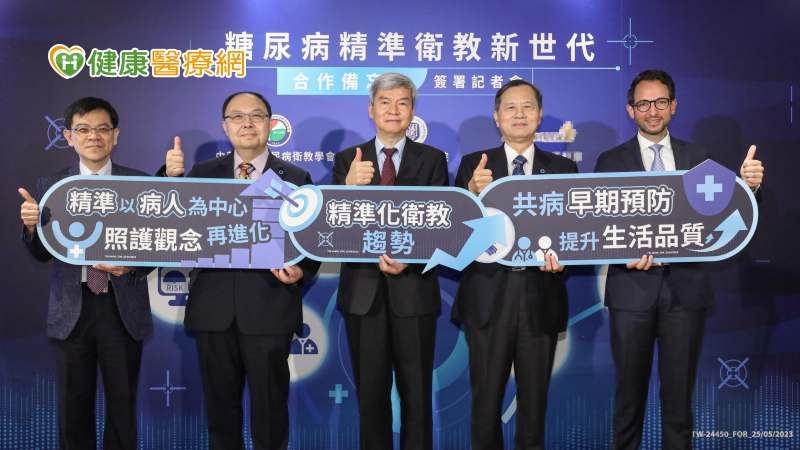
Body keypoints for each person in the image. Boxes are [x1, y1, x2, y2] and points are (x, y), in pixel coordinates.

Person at [594, 69, 764, 450]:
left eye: (660, 102)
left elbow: (724, 218)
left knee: (679, 406)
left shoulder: (699, 158)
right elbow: (598, 224)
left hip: (685, 294)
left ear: (674, 106)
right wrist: (622, 253)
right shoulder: (610, 161)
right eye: (643, 104)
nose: (652, 111)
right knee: (627, 402)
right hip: (631, 292)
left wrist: (748, 188)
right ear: (630, 110)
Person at [163, 91, 320, 450]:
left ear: (270, 124)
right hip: (213, 311)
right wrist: (171, 179)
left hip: (269, 310)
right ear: (225, 126)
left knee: (270, 411)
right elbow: (171, 226)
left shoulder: (296, 178)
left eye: (256, 116)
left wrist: (301, 270)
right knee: (221, 414)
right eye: (237, 117)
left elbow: (314, 241)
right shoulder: (202, 175)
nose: (247, 123)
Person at [19, 97, 152, 450]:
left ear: (115, 135)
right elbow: (41, 253)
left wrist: (132, 265)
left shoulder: (139, 183)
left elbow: (156, 245)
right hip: (71, 311)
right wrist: (32, 228)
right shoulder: (51, 184)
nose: (94, 136)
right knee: (73, 407)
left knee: (122, 407)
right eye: (83, 129)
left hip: (122, 309)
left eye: (102, 129)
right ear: (68, 136)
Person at [453, 79, 578, 450]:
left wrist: (563, 262)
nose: (519, 114)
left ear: (539, 115)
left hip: (540, 295)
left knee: (534, 404)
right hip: (488, 296)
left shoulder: (563, 169)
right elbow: (456, 238)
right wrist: (471, 193)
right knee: (485, 402)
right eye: (510, 107)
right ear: (497, 117)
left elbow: (575, 234)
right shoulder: (474, 166)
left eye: (527, 106)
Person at [331, 72, 449, 450]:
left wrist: (409, 261)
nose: (393, 110)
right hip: (363, 296)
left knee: (417, 395)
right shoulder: (348, 160)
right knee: (370, 397)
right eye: (385, 102)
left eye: (402, 103)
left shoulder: (433, 160)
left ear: (412, 111)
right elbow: (334, 228)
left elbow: (440, 225)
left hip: (413, 293)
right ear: (371, 110)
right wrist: (347, 187)